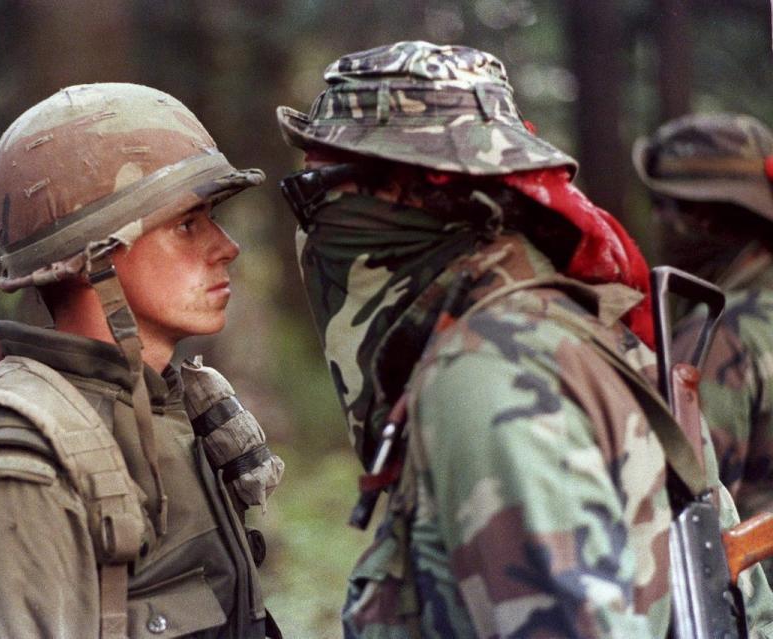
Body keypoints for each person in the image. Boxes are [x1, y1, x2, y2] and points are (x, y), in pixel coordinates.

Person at [276, 42, 773, 637]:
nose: (313, 220)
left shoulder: (490, 372)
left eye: (319, 188)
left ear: (405, 192)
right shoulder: (571, 331)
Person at [0, 83, 283, 639]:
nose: (225, 246)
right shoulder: (19, 477)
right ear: (91, 258)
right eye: (187, 224)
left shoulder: (171, 410)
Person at [634, 113, 773, 522]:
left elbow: (688, 509)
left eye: (664, 205)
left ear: (703, 220)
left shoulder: (720, 332)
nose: (658, 222)